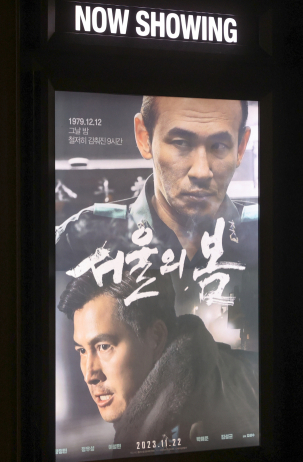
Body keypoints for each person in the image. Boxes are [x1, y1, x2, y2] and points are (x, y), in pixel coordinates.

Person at [55, 97, 258, 348]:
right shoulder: (79, 240)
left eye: (219, 145)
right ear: (144, 137)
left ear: (240, 148)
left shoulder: (264, 236)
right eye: (181, 143)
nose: (202, 171)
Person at [58, 270, 259, 454]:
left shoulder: (187, 437)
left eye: (104, 346)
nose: (89, 374)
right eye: (82, 351)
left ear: (156, 337)